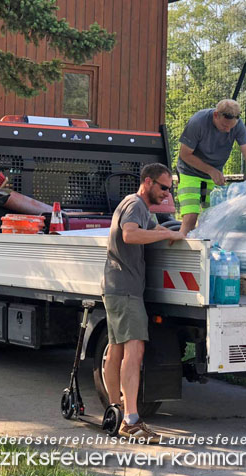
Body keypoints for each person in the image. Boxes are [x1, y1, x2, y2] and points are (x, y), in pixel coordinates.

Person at [101, 163, 185, 442]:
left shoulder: (141, 209)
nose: (166, 194)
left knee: (115, 351)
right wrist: (163, 234)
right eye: (163, 187)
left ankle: (115, 410)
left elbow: (157, 229)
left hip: (116, 287)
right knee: (133, 353)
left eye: (170, 190)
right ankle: (131, 420)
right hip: (125, 290)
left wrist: (173, 231)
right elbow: (130, 234)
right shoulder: (136, 204)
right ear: (147, 182)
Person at [177, 99, 246, 235]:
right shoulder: (198, 122)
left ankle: (209, 254)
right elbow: (185, 154)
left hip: (214, 175)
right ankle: (184, 254)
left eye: (231, 127)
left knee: (214, 219)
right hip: (189, 172)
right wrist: (210, 170)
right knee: (190, 218)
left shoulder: (238, 126)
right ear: (216, 115)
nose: (228, 130)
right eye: (224, 126)